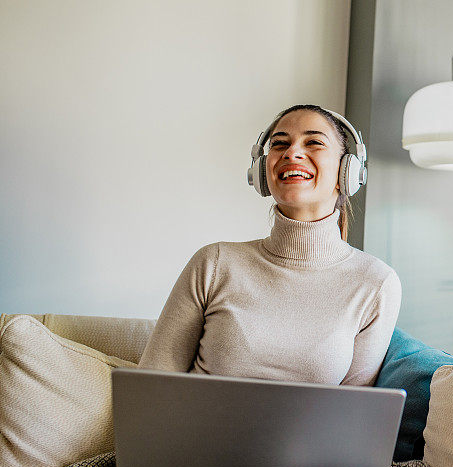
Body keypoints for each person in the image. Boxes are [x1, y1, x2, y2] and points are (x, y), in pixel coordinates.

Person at [137, 104, 402, 386]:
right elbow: (153, 384)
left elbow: (355, 412)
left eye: (313, 142)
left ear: (347, 172)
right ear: (262, 171)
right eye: (279, 144)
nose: (292, 153)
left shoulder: (376, 283)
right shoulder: (214, 263)